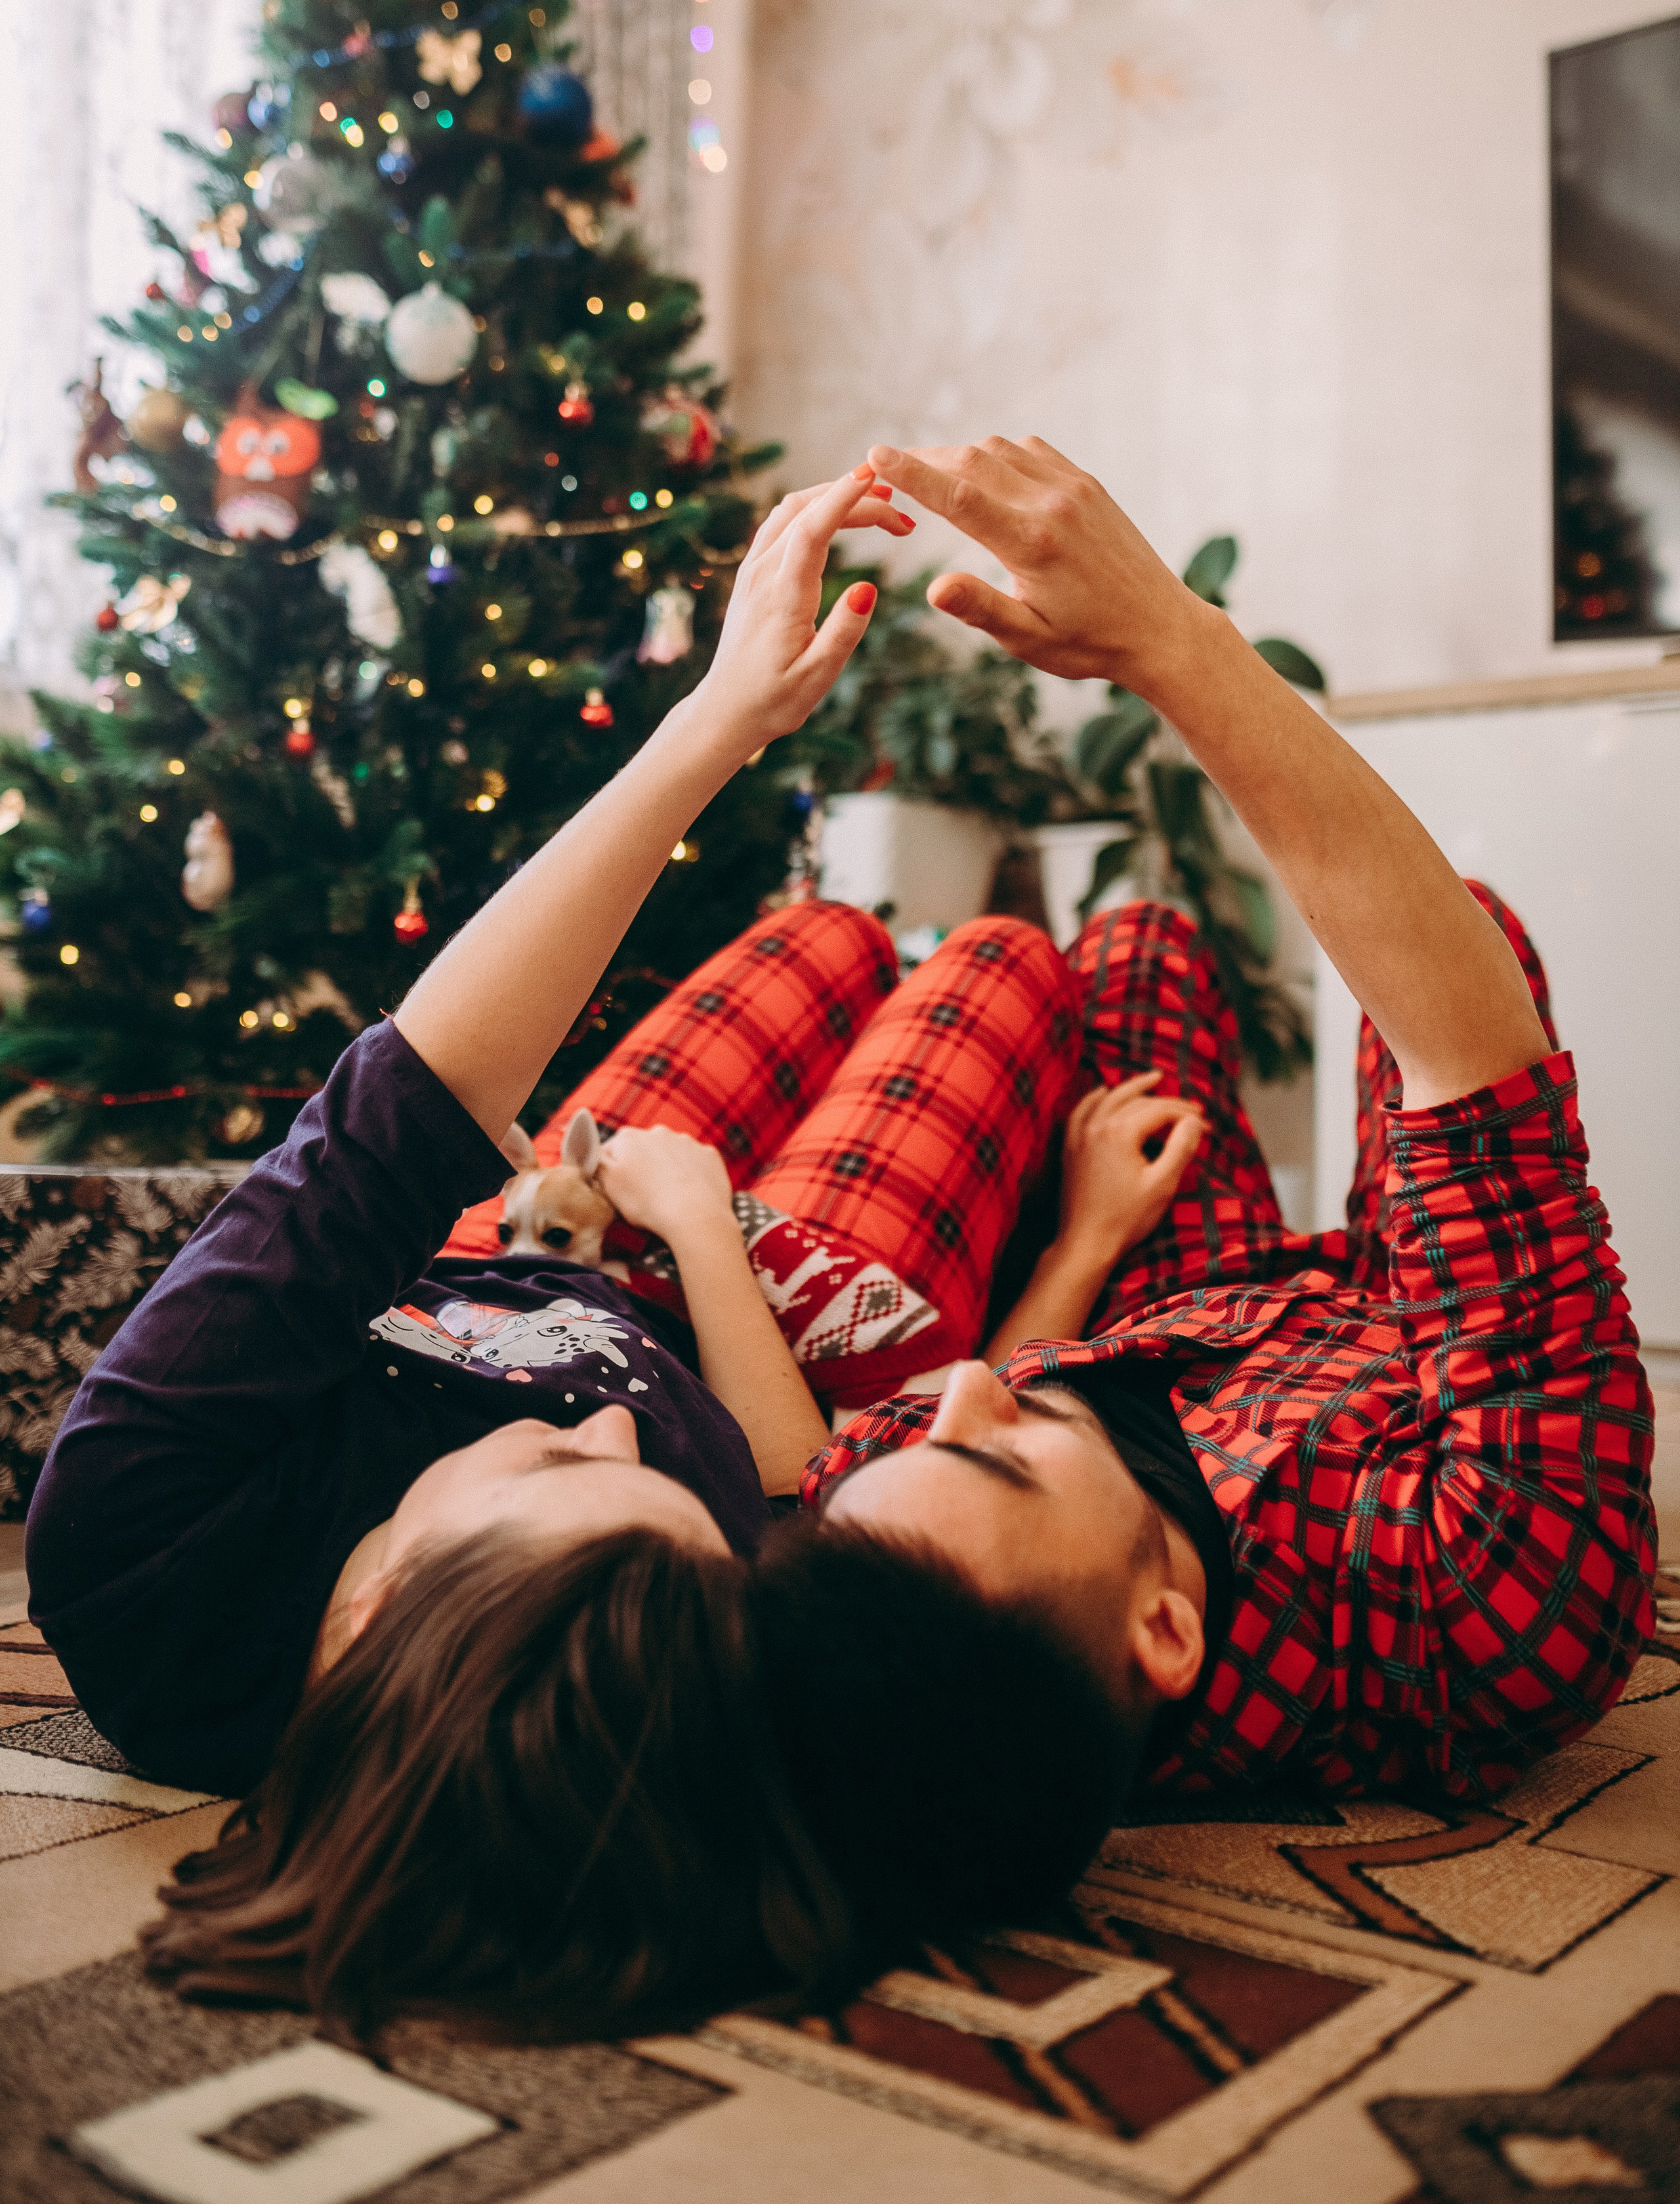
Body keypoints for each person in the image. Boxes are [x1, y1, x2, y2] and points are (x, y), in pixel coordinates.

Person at [22, 471, 1130, 2040]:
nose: (619, 1427)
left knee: (818, 939)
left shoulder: (146, 1551)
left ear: (376, 1607)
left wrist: (719, 721)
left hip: (538, 1214)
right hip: (753, 1278)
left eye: (554, 1476)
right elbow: (780, 1471)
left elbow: (386, 1128)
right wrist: (711, 1230)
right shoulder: (650, 1675)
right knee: (1006, 963)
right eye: (661, 1506)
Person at [770, 434, 1656, 1812]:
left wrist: (1079, 1244)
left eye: (923, 1432)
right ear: (1165, 1633)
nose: (962, 1389)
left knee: (1137, 945)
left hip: (1184, 1304)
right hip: (1401, 1345)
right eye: (999, 1453)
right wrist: (1167, 640)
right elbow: (1481, 1091)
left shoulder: (892, 1558)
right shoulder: (1477, 1595)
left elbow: (916, 1429)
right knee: (1461, 943)